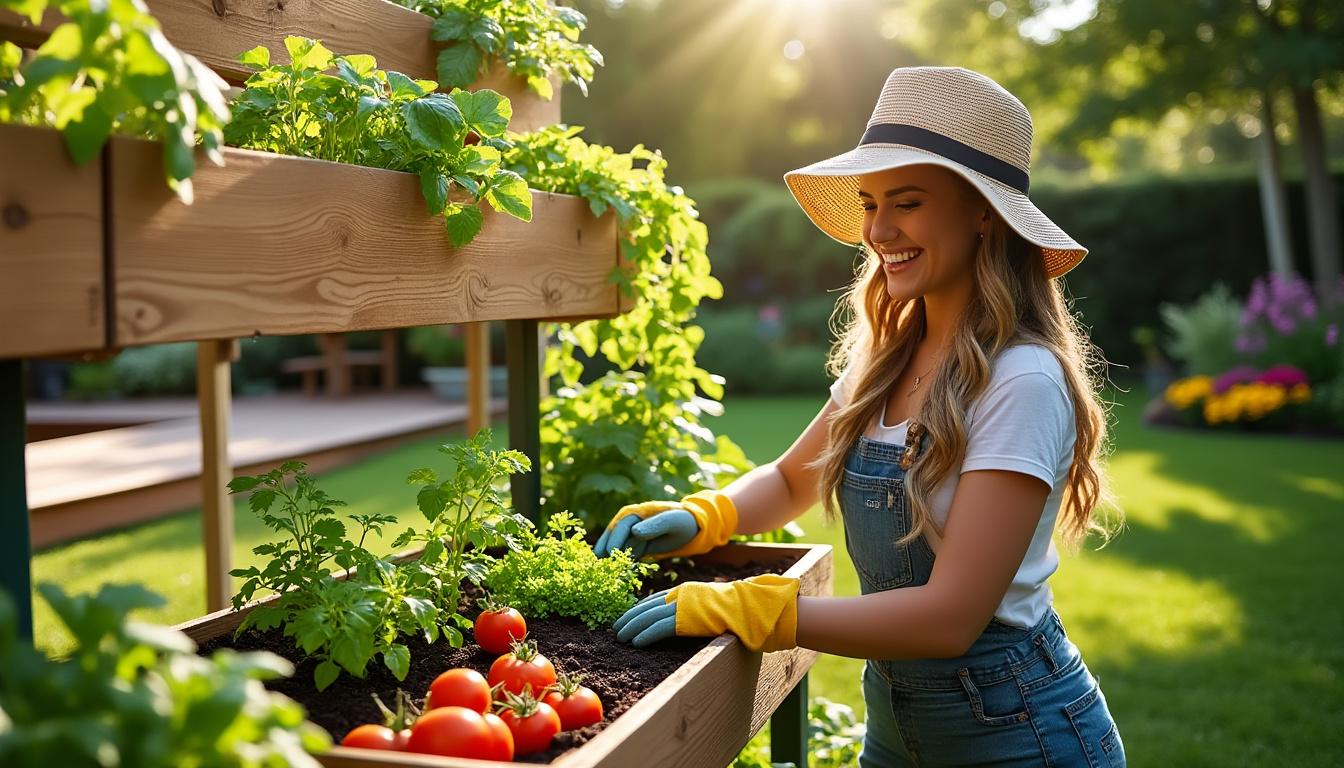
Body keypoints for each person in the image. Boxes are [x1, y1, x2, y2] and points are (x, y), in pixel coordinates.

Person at [594, 67, 1127, 767]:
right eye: (870, 203)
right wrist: (707, 518)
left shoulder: (1022, 379)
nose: (878, 230)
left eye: (906, 202)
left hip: (1019, 732)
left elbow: (949, 617)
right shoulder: (885, 361)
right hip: (897, 728)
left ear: (983, 214)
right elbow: (791, 481)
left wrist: (758, 611)